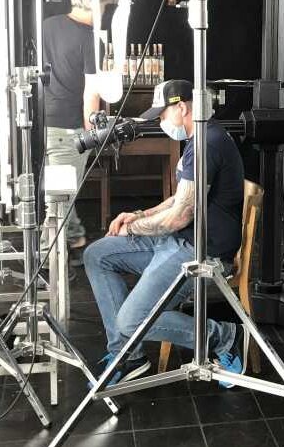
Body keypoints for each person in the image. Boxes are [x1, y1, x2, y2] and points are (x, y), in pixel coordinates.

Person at [84, 79, 248, 388]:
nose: (161, 122)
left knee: (132, 320)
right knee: (97, 255)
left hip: (201, 250)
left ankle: (224, 337)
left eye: (162, 115)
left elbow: (179, 216)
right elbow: (179, 199)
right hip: (179, 240)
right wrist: (139, 215)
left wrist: (133, 228)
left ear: (182, 107)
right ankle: (127, 356)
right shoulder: (198, 139)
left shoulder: (208, 143)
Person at [41, 0, 106, 263]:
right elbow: (91, 93)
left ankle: (76, 236)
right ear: (97, 3)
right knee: (59, 201)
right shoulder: (91, 39)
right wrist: (92, 135)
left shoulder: (47, 25)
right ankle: (48, 260)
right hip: (69, 127)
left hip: (40, 122)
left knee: (60, 190)